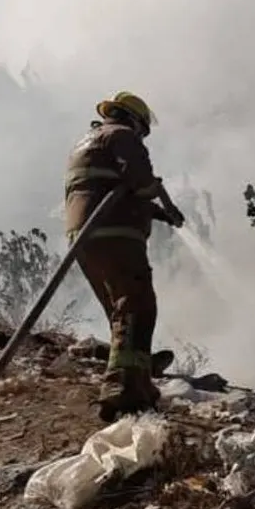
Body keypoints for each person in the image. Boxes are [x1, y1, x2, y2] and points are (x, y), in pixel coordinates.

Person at [64, 91, 185, 422]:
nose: (142, 136)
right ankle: (122, 390)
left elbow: (110, 189)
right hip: (115, 231)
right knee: (138, 306)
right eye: (143, 131)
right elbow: (141, 184)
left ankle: (139, 377)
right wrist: (160, 196)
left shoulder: (87, 142)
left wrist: (160, 214)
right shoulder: (122, 135)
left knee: (121, 312)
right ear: (135, 121)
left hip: (83, 237)